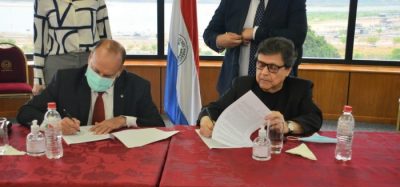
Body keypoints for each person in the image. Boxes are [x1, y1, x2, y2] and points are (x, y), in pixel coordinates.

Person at [17, 39, 165, 135]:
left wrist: (123, 120)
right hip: (75, 154)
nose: (99, 77)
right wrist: (54, 124)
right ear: (89, 58)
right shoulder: (65, 80)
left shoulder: (137, 86)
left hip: (119, 155)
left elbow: (158, 125)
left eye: (107, 75)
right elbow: (25, 112)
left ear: (119, 71)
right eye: (95, 70)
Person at [198, 37, 322, 138]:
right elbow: (213, 108)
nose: (264, 73)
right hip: (245, 148)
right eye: (260, 64)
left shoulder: (300, 89)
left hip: (280, 150)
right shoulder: (243, 85)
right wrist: (205, 119)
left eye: (273, 67)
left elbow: (314, 118)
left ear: (288, 70)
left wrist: (287, 126)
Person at [203, 0, 307, 95]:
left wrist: (255, 33)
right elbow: (209, 33)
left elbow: (297, 36)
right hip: (234, 84)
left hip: (276, 88)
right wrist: (219, 40)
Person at [32, 0, 112, 95]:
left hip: (91, 64)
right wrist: (38, 78)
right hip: (57, 64)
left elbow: (106, 36)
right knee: (57, 108)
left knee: (90, 107)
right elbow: (39, 42)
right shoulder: (42, 1)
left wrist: (110, 65)